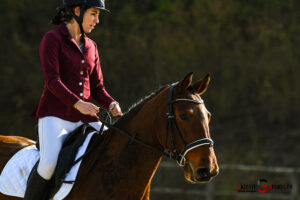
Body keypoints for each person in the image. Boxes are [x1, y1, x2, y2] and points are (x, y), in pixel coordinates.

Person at [25, 0, 122, 199]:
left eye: (98, 15)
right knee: (49, 164)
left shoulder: (92, 46)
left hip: (87, 119)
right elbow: (52, 81)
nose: (97, 20)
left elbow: (97, 88)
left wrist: (111, 103)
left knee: (114, 150)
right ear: (77, 11)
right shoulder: (52, 39)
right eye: (94, 14)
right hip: (55, 115)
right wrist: (78, 104)